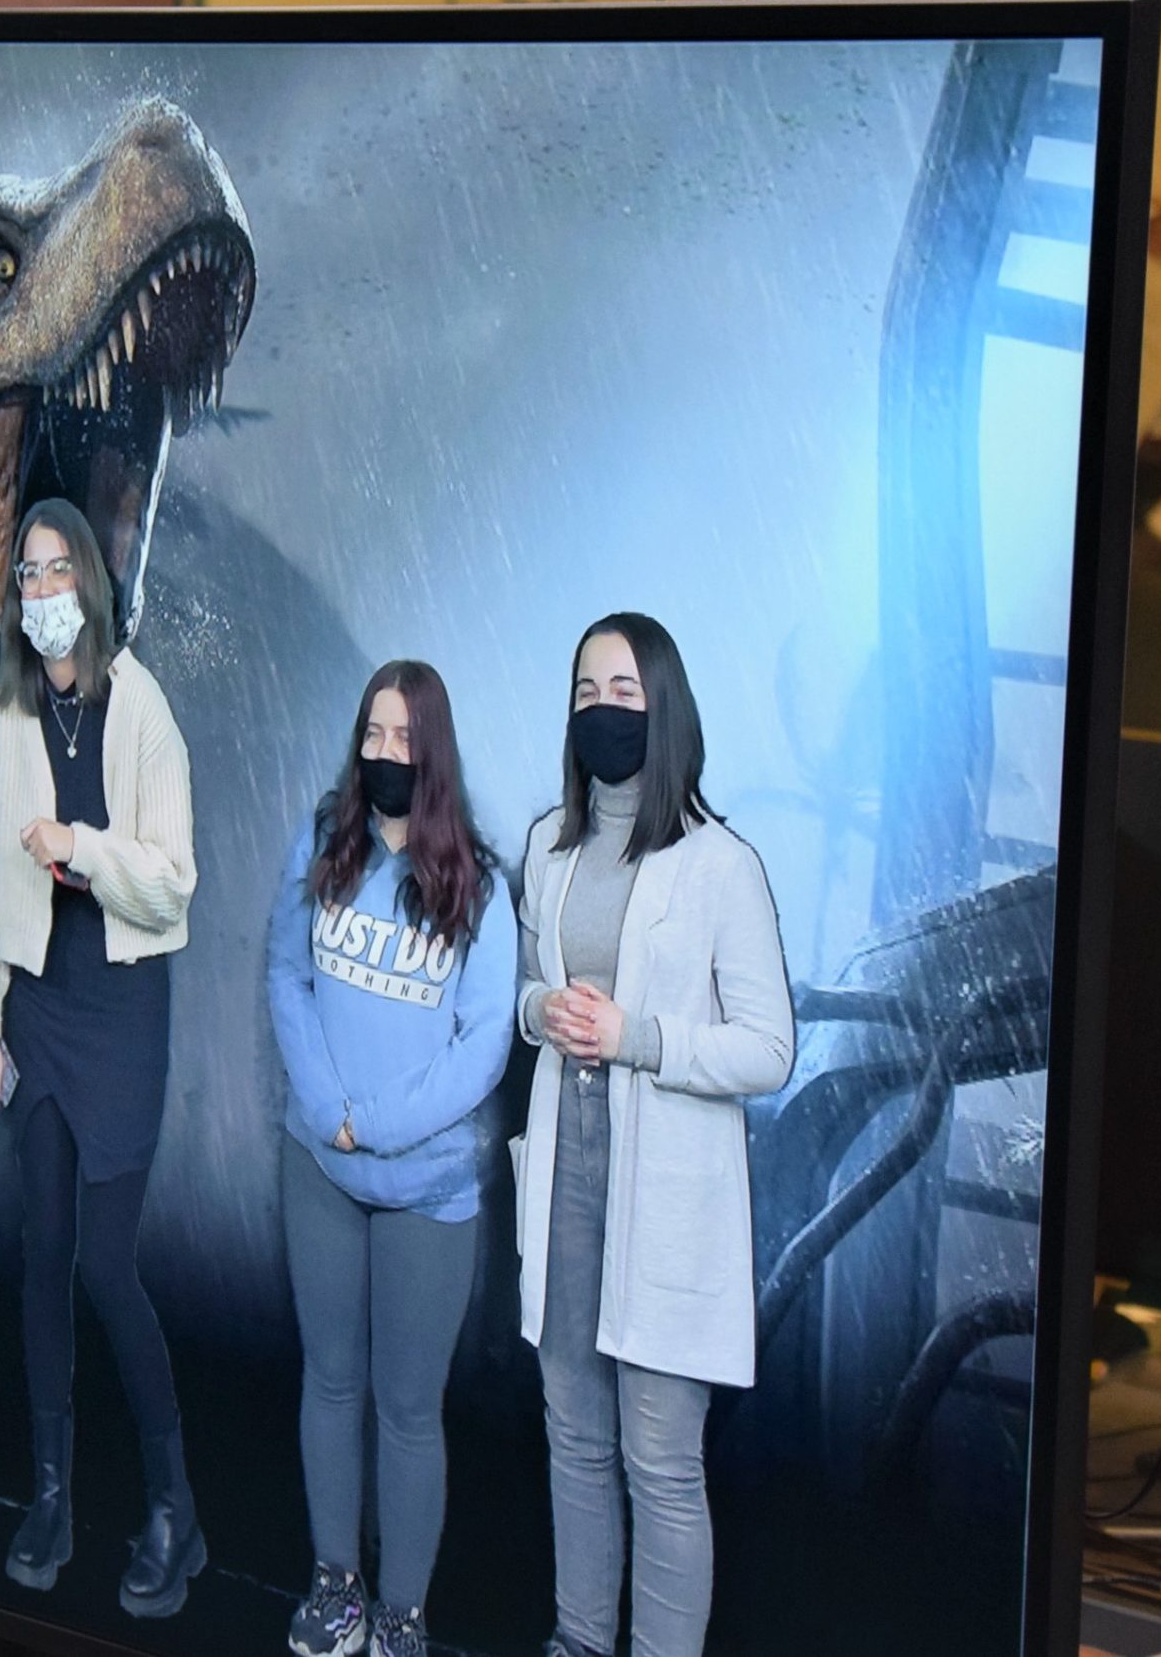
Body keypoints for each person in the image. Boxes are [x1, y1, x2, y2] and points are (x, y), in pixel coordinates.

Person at [510, 613, 796, 1657]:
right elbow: (524, 993)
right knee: (574, 1438)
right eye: (586, 691)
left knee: (662, 1463)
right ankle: (579, 1641)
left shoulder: (721, 865)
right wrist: (541, 1011)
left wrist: (641, 1038)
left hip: (667, 1197)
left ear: (663, 706)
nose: (602, 709)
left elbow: (769, 1048)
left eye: (623, 692)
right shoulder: (548, 845)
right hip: (565, 1183)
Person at [0, 498, 202, 1619]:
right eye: (29, 573)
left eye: (60, 570)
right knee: (43, 1256)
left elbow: (173, 884)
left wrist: (83, 849)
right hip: (37, 1007)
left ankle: (173, 1507)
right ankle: (51, 1495)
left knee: (107, 1266)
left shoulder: (141, 706)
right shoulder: (7, 714)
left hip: (121, 1012)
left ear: (91, 587)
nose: (44, 590)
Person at [265, 660, 513, 1657]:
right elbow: (285, 973)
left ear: (434, 752)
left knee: (409, 1411)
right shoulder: (325, 840)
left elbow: (483, 1047)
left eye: (404, 739)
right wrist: (327, 1112)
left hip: (427, 1192)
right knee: (330, 1382)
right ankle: (337, 1586)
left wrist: (371, 1123)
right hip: (320, 1171)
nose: (384, 753)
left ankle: (402, 1615)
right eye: (372, 734)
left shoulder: (480, 885)